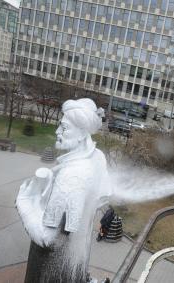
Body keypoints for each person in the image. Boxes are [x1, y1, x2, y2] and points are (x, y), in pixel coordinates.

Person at [16, 98, 108, 283]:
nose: (57, 131)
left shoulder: (72, 176)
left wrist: (25, 202)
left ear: (82, 134)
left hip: (50, 272)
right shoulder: (97, 158)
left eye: (64, 127)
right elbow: (96, 200)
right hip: (74, 266)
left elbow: (47, 239)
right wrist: (51, 183)